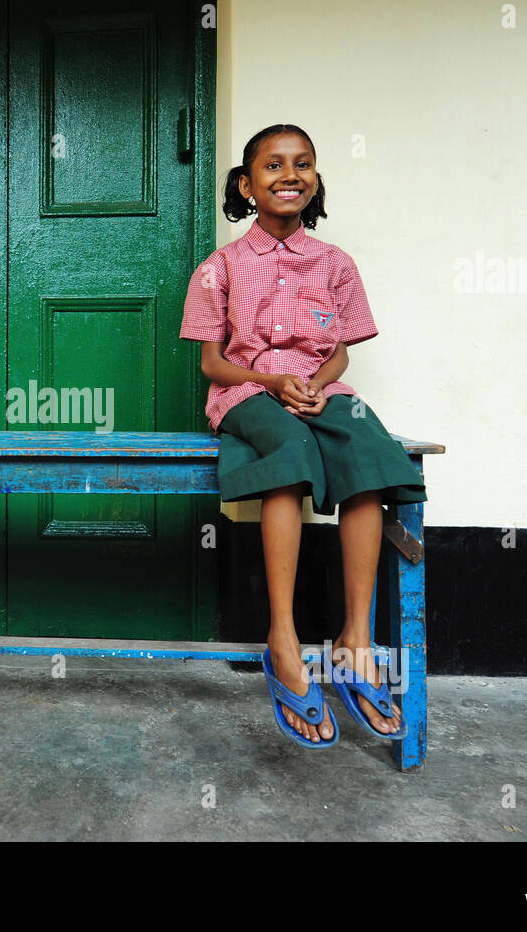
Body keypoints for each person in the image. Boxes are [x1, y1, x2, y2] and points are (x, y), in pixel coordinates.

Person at [179, 124, 427, 749]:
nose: (289, 174)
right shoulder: (220, 268)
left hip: (322, 390)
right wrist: (272, 380)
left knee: (372, 455)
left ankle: (355, 642)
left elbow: (340, 353)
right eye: (272, 165)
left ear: (315, 180)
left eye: (303, 164)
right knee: (288, 454)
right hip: (247, 393)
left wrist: (317, 382)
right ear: (247, 183)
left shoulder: (335, 264)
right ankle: (284, 640)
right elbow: (212, 364)